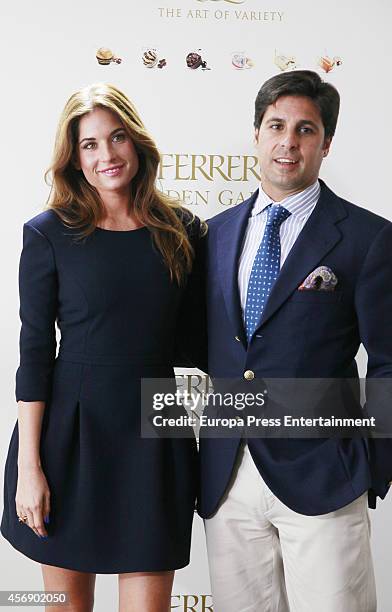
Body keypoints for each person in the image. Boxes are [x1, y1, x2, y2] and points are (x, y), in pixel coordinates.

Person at [1, 82, 204, 612]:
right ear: (74, 157)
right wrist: (30, 469)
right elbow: (35, 356)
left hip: (154, 437)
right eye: (89, 145)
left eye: (116, 138)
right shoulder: (47, 234)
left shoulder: (181, 230)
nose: (106, 155)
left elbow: (207, 342)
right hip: (69, 441)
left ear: (136, 142)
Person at [199, 70, 392, 611]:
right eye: (276, 125)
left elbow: (387, 363)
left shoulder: (367, 238)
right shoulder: (212, 235)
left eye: (306, 130)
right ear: (256, 134)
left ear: (326, 144)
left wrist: (371, 466)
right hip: (227, 476)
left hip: (325, 476)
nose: (289, 142)